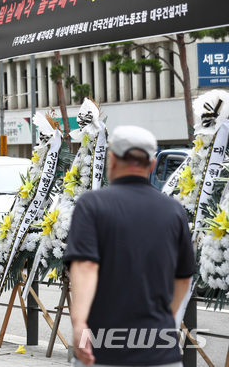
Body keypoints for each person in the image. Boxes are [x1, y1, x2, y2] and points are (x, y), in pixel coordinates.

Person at [65, 125, 195, 367]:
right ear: (152, 164)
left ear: (112, 159)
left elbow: (85, 266)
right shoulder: (173, 211)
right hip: (160, 352)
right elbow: (184, 279)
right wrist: (164, 322)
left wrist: (80, 322)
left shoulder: (92, 205)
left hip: (101, 351)